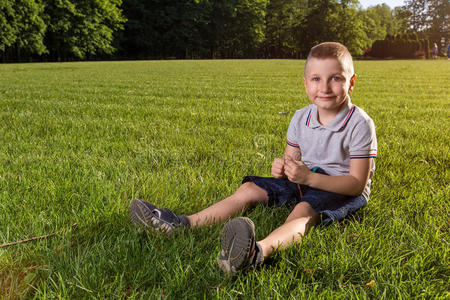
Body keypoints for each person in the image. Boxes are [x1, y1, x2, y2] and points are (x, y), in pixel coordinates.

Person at [129, 42, 377, 275]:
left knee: (303, 211)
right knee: (250, 188)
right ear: (305, 84)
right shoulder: (301, 117)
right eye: (316, 79)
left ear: (352, 82)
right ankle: (180, 224)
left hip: (339, 186)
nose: (324, 87)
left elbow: (356, 183)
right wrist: (282, 168)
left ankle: (257, 253)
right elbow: (290, 160)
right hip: (306, 177)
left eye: (335, 78)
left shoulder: (359, 123)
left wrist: (310, 178)